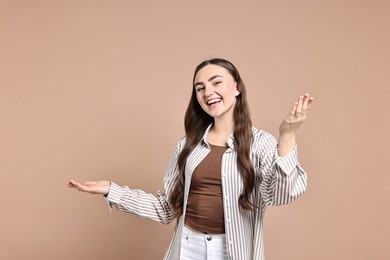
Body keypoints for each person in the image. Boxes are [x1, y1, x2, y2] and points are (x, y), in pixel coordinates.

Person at [68, 58, 314, 260]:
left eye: (216, 82)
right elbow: (166, 209)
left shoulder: (261, 143)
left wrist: (288, 135)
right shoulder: (188, 146)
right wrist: (112, 190)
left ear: (237, 88)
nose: (208, 92)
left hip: (232, 251)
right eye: (200, 87)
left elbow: (282, 194)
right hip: (186, 248)